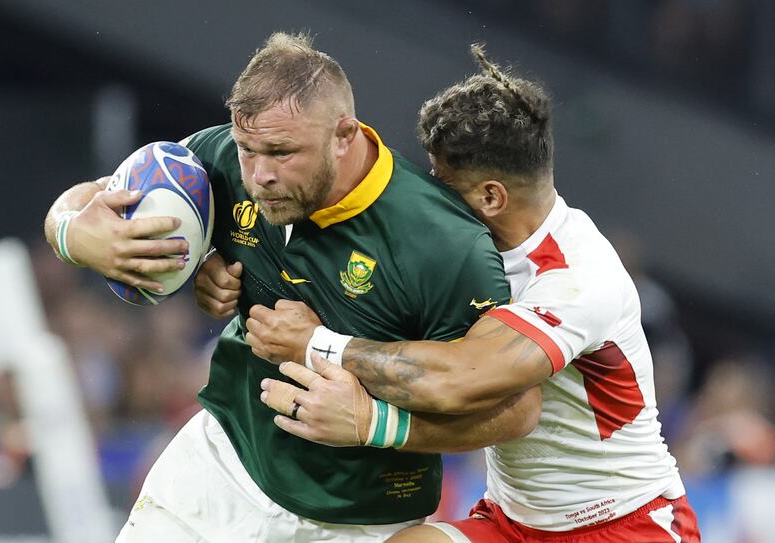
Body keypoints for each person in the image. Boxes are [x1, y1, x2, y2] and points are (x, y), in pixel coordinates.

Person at [44, 33, 541, 542]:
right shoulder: (222, 159)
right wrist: (72, 233)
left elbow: (517, 410)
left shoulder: (444, 243)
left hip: (358, 520)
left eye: (282, 152)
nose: (260, 176)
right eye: (248, 150)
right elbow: (95, 197)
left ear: (343, 135)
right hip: (219, 472)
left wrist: (374, 422)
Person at [244, 45, 702, 542]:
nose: (427, 196)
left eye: (442, 182)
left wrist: (317, 346)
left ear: (490, 196)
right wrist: (218, 270)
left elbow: (461, 378)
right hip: (511, 523)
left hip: (627, 525)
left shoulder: (577, 279)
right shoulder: (466, 256)